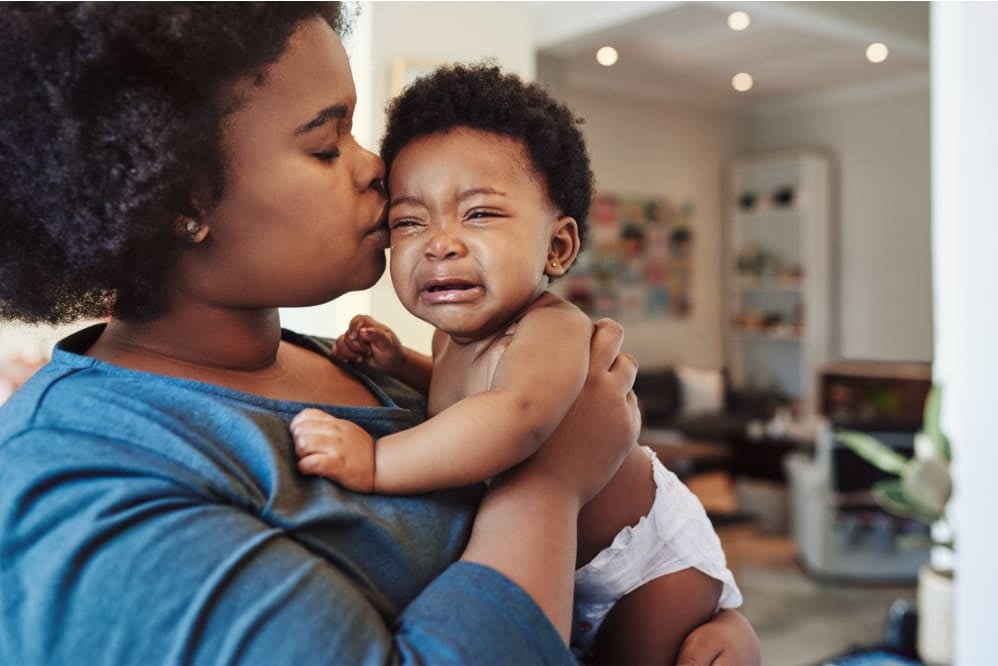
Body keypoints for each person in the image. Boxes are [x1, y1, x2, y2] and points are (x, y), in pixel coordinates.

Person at [0, 3, 759, 664]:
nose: (377, 171)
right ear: (179, 200)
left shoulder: (349, 364)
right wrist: (552, 483)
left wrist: (700, 622)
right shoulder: (83, 480)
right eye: (327, 144)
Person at [288, 63, 744, 664]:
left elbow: (515, 418)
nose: (439, 241)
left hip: (648, 559)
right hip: (564, 562)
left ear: (557, 247)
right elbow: (464, 398)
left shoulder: (551, 329)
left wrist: (376, 460)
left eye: (478, 214)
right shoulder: (455, 337)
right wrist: (402, 363)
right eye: (408, 221)